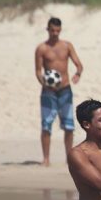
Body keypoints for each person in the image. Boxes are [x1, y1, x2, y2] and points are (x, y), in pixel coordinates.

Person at [35, 17, 84, 167]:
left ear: (60, 30)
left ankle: (69, 158)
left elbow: (79, 65)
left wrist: (77, 74)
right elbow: (38, 71)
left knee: (69, 126)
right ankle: (46, 159)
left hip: (65, 90)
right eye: (52, 30)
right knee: (46, 125)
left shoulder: (67, 46)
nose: (55, 33)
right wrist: (44, 83)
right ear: (47, 29)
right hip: (48, 92)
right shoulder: (41, 48)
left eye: (58, 30)